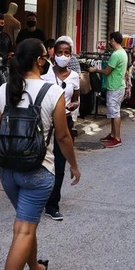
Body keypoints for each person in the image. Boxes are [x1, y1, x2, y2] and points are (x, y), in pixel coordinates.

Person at [0, 39, 81, 270]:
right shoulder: (53, 93)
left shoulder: (4, 90)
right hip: (39, 172)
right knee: (24, 229)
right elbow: (64, 137)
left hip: (8, 171)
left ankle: (34, 267)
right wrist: (74, 167)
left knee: (26, 222)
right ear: (40, 60)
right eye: (48, 55)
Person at [41, 36, 80, 221]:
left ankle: (52, 204)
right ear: (53, 55)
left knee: (60, 164)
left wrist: (74, 104)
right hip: (45, 123)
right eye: (59, 53)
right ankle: (38, 197)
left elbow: (76, 98)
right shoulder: (44, 74)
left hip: (65, 122)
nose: (63, 56)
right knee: (41, 160)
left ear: (70, 56)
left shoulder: (74, 76)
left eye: (66, 53)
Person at [89, 31, 128, 148]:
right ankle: (112, 134)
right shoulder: (123, 53)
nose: (109, 42)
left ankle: (117, 138)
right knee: (113, 112)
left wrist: (95, 70)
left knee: (115, 112)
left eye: (110, 40)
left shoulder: (116, 55)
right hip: (118, 85)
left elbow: (107, 71)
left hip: (115, 87)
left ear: (113, 41)